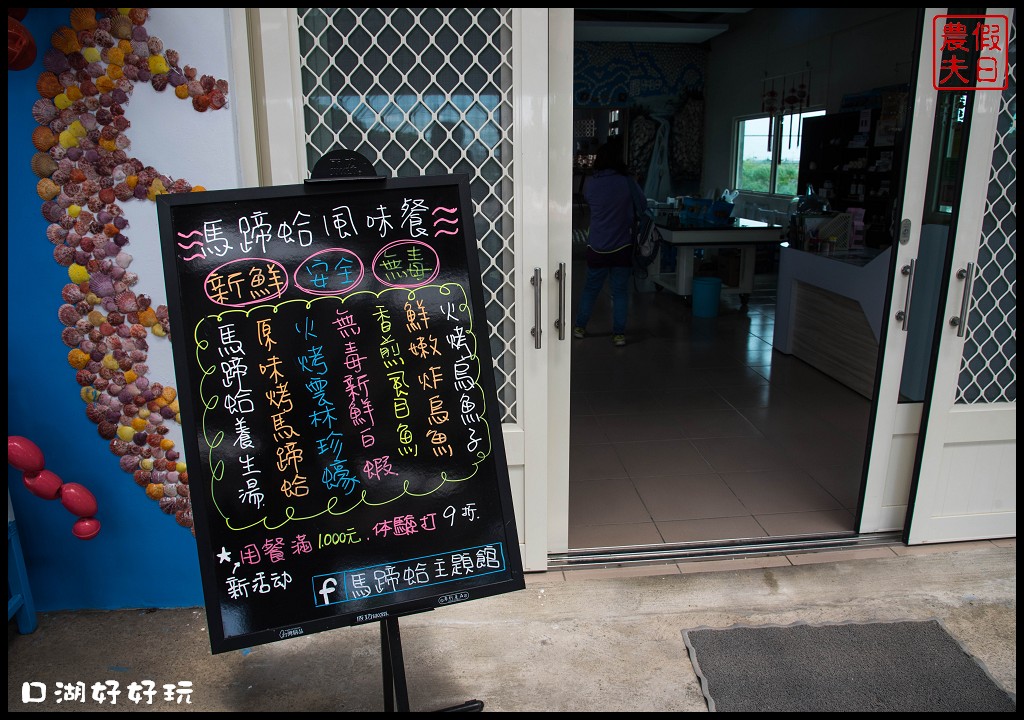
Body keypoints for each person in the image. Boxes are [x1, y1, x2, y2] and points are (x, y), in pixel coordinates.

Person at [573, 140, 649, 346]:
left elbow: (590, 201)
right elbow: (643, 205)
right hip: (622, 246)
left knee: (590, 289)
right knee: (620, 292)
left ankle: (580, 327)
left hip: (596, 245)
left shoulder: (592, 183)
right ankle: (619, 335)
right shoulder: (627, 181)